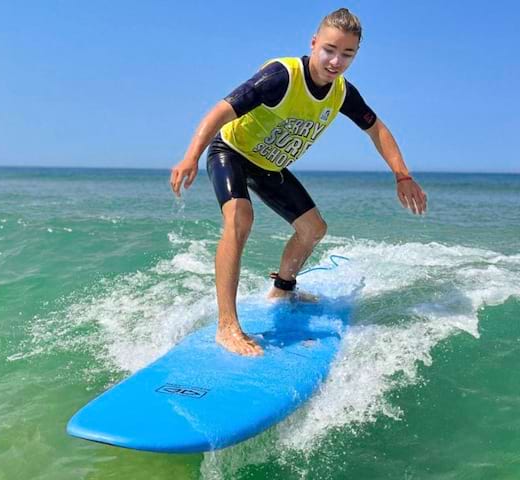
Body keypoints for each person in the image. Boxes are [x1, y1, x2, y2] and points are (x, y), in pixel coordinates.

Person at [170, 8, 427, 357]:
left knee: (313, 228)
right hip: (230, 152)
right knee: (240, 219)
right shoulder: (281, 77)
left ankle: (282, 289)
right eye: (330, 49)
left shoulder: (341, 93)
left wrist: (403, 175)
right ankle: (227, 326)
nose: (336, 61)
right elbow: (220, 110)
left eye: (347, 54)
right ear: (314, 43)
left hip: (269, 166)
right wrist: (191, 156)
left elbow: (376, 129)